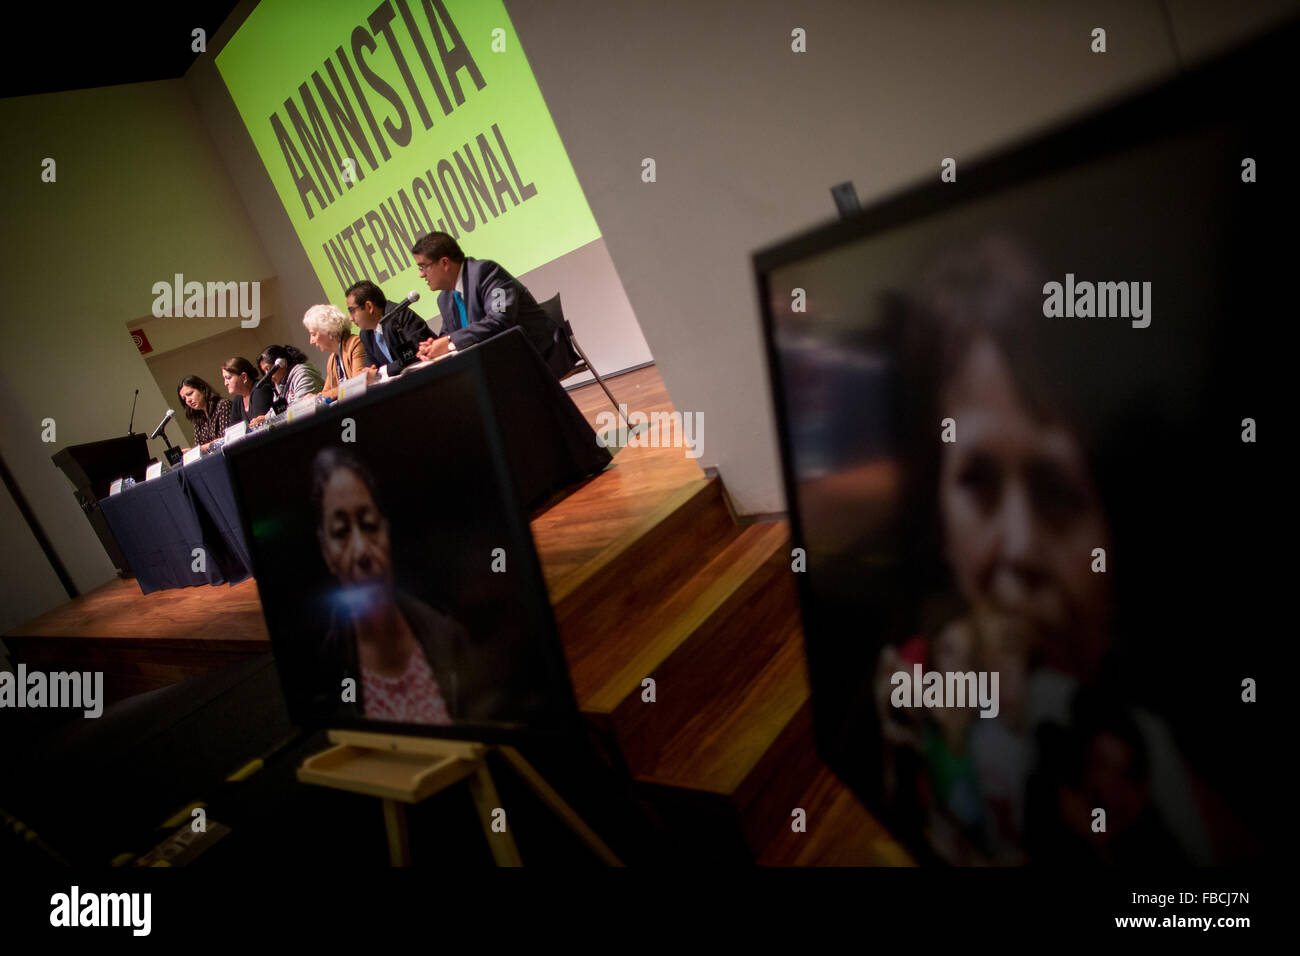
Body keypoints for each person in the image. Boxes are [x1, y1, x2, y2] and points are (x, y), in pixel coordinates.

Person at [311, 447, 470, 724]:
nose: (361, 551)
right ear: (325, 552)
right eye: (341, 532)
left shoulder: (449, 636)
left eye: (369, 524)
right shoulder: (322, 671)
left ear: (387, 530)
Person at [411, 233, 575, 378]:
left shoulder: (486, 272)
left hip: (536, 355)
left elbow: (500, 320)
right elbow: (449, 334)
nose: (421, 275)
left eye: (423, 267)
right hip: (494, 365)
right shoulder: (445, 298)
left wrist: (448, 342)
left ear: (445, 263)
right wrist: (432, 348)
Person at [347, 279, 433, 378]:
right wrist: (366, 374)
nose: (350, 318)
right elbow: (370, 368)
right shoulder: (366, 334)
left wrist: (380, 373)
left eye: (352, 311)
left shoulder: (399, 316)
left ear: (369, 307)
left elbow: (416, 355)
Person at [303, 304, 369, 400]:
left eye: (313, 334)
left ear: (328, 331)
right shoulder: (332, 360)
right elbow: (325, 393)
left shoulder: (355, 344)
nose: (311, 341)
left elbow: (358, 383)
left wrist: (318, 397)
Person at [257, 344, 324, 410]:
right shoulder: (279, 385)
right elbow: (278, 410)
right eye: (264, 371)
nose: (268, 376)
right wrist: (265, 418)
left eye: (268, 369)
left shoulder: (302, 374)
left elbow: (302, 407)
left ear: (282, 363)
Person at [177, 375, 231, 451]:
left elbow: (225, 439)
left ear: (202, 389)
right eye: (184, 398)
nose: (188, 400)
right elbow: (199, 446)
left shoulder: (222, 405)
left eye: (190, 394)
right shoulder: (198, 418)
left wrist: (201, 448)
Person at [221, 356, 271, 428]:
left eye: (228, 378)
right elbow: (234, 430)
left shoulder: (260, 389)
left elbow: (262, 426)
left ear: (244, 377)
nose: (225, 383)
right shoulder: (238, 399)